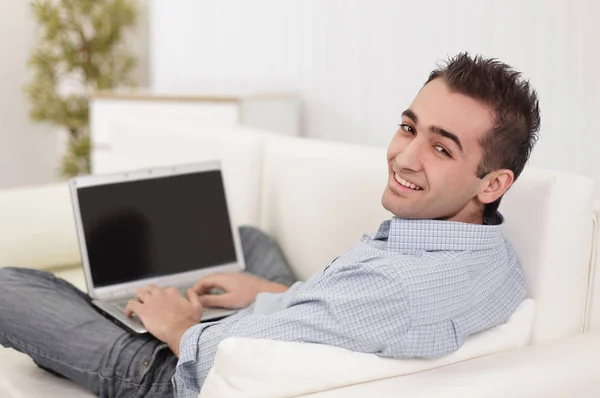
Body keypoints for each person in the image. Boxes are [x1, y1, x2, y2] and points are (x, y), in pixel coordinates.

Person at [0, 52, 540, 397]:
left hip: (179, 371)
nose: (403, 157)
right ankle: (145, 304)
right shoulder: (491, 257)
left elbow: (230, 357)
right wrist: (278, 293)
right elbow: (349, 316)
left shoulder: (395, 290)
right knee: (249, 242)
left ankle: (129, 316)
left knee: (9, 286)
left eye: (440, 148)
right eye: (408, 127)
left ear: (492, 183)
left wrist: (178, 326)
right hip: (300, 332)